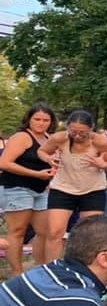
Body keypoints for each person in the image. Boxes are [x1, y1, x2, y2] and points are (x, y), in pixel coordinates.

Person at [39, 110, 107, 262]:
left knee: (91, 233)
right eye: (73, 132)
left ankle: (86, 267)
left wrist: (102, 164)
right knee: (54, 232)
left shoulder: (100, 142)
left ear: (91, 129)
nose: (77, 136)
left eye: (83, 133)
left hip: (93, 189)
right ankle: (52, 267)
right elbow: (42, 151)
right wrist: (48, 158)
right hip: (63, 187)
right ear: (67, 127)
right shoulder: (59, 138)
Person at [0, 103, 56, 275]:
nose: (41, 123)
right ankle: (17, 274)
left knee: (45, 232)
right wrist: (36, 174)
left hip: (40, 189)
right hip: (17, 188)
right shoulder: (21, 137)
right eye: (37, 119)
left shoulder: (48, 138)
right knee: (18, 231)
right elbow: (4, 163)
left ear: (51, 122)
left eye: (45, 120)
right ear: (29, 119)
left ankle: (41, 270)